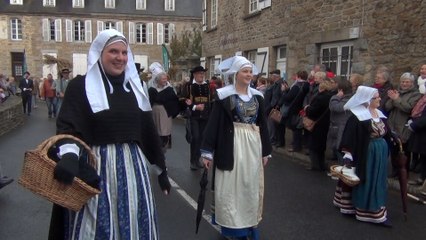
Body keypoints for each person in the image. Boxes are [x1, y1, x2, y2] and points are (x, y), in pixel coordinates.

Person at [48, 29, 171, 239]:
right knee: (97, 225)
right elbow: (68, 125)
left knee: (135, 220)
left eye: (124, 52)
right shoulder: (80, 86)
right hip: (96, 168)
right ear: (100, 54)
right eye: (113, 51)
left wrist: (161, 170)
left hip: (133, 168)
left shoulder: (136, 87)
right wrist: (69, 155)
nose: (120, 57)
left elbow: (147, 131)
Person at [201, 56, 272, 240]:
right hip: (231, 145)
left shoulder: (258, 96)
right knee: (231, 188)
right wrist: (207, 151)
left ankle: (249, 226)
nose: (249, 74)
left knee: (249, 187)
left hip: (253, 146)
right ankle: (233, 229)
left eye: (250, 71)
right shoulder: (224, 96)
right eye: (245, 71)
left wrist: (266, 151)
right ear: (236, 74)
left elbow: (263, 124)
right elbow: (214, 124)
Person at [333, 86, 392, 226]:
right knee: (366, 179)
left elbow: (386, 131)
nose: (379, 99)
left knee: (378, 179)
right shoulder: (357, 116)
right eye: (376, 97)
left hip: (380, 153)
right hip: (367, 153)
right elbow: (349, 137)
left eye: (378, 96)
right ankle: (368, 210)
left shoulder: (378, 113)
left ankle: (376, 207)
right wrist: (348, 155)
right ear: (366, 100)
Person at [384, 72, 421, 177]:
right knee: (394, 150)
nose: (404, 84)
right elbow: (387, 107)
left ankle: (404, 174)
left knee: (403, 151)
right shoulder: (398, 92)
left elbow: (408, 108)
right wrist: (392, 99)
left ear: (412, 83)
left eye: (407, 82)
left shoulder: (416, 94)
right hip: (392, 125)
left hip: (404, 127)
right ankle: (395, 171)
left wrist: (397, 99)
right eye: (402, 82)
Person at [182, 65, 212, 170]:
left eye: (203, 73)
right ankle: (193, 161)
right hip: (194, 117)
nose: (202, 75)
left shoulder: (207, 85)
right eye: (200, 73)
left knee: (203, 138)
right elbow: (183, 99)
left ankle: (198, 159)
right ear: (194, 74)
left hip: (205, 117)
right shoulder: (189, 86)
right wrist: (194, 107)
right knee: (195, 137)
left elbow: (211, 100)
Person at [304, 80, 334, 171]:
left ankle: (315, 165)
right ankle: (321, 164)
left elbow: (313, 111)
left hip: (316, 123)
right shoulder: (331, 97)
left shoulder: (320, 98)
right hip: (325, 123)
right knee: (321, 146)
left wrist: (307, 108)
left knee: (313, 145)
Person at [148, 71, 180, 151]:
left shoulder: (169, 90)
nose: (165, 80)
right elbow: (148, 102)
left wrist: (173, 111)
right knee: (156, 130)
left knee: (164, 131)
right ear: (158, 80)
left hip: (165, 112)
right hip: (154, 112)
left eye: (165, 79)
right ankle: (156, 147)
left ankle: (163, 146)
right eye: (163, 79)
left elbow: (174, 101)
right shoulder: (152, 90)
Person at [328, 78, 353, 163]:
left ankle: (341, 172)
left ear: (341, 90)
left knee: (341, 153)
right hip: (339, 128)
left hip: (341, 129)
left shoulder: (347, 100)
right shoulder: (348, 99)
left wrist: (336, 96)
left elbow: (335, 107)